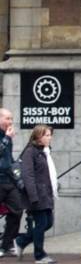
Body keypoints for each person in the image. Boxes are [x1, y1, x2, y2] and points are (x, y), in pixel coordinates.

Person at [15, 125, 58, 264]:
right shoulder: (30, 152)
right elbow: (28, 176)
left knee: (48, 223)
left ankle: (22, 241)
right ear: (38, 137)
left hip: (46, 194)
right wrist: (33, 196)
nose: (50, 138)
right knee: (41, 224)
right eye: (47, 135)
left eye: (50, 135)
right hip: (37, 196)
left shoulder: (45, 152)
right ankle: (39, 255)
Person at [0, 108, 23, 258]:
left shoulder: (6, 136)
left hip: (9, 180)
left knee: (17, 210)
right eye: (7, 118)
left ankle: (6, 245)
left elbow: (7, 158)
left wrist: (16, 168)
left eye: (11, 119)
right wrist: (7, 138)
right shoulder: (6, 137)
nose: (10, 122)